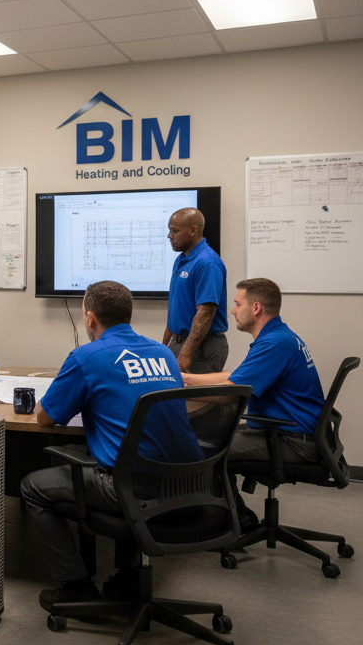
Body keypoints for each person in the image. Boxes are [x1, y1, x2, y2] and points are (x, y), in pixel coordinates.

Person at [19, 280, 199, 611]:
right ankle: (128, 575)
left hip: (132, 489)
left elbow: (46, 417)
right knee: (128, 456)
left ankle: (76, 586)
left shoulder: (88, 357)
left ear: (90, 319)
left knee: (33, 486)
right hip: (188, 485)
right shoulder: (164, 354)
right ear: (128, 315)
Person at [182, 277, 325, 531]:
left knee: (210, 446)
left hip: (293, 441)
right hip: (295, 433)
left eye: (238, 304)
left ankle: (233, 522)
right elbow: (235, 376)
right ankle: (235, 517)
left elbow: (231, 393)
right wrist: (186, 379)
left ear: (256, 308)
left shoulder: (273, 344)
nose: (233, 311)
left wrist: (178, 393)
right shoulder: (278, 336)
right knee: (214, 435)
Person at [162, 207, 228, 372]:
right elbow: (177, 309)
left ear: (193, 231)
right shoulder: (181, 259)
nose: (170, 236)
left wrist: (185, 355)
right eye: (169, 230)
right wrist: (164, 347)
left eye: (175, 231)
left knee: (196, 398)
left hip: (202, 347)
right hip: (180, 343)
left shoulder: (208, 263)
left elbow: (205, 313)